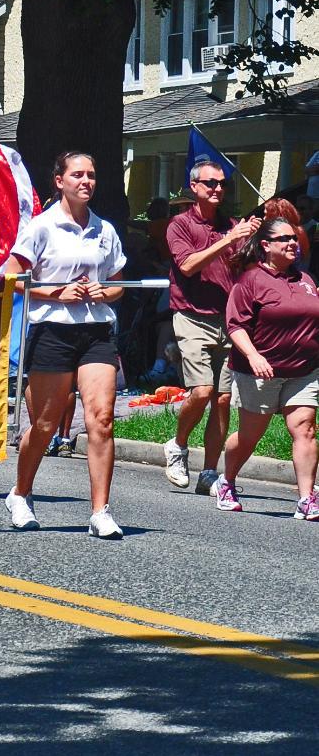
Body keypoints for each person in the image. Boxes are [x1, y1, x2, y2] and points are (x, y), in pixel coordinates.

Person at [1, 152, 126, 538]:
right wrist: (56, 293)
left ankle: (100, 511)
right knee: (45, 424)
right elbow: (11, 277)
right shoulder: (42, 227)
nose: (86, 181)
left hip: (97, 331)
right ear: (59, 181)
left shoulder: (104, 229)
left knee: (101, 419)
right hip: (52, 331)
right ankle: (20, 493)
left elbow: (119, 285)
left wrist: (104, 292)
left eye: (91, 175)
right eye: (77, 175)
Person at [163, 158, 259, 495]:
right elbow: (188, 265)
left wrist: (254, 240)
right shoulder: (179, 225)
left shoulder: (232, 225)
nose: (218, 188)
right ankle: (177, 444)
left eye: (222, 183)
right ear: (194, 187)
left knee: (222, 400)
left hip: (228, 321)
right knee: (202, 391)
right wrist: (228, 238)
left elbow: (246, 271)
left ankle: (208, 472)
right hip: (192, 317)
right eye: (210, 183)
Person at [216, 218, 319, 518]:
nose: (292, 243)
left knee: (305, 429)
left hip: (304, 371)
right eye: (284, 239)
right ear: (265, 245)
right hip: (260, 372)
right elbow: (235, 326)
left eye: (294, 238)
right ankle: (226, 481)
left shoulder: (306, 279)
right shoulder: (250, 280)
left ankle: (306, 499)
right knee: (250, 435)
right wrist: (254, 356)